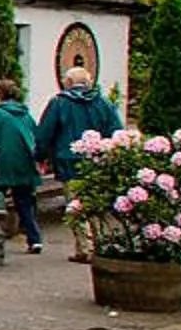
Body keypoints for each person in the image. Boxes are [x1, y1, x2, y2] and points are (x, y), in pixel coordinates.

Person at [34, 63, 124, 259]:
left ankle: (85, 248)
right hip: (97, 161)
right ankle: (99, 245)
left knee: (75, 204)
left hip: (69, 162)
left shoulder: (59, 103)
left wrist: (39, 156)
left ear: (68, 82)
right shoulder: (103, 103)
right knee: (94, 204)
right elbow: (116, 132)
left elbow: (45, 133)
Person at [0, 80, 44, 256]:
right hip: (25, 161)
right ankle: (35, 239)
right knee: (24, 202)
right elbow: (35, 136)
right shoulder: (25, 114)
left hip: (3, 161)